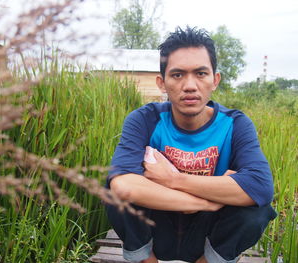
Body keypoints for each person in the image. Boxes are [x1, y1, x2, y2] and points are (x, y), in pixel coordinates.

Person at [105, 26, 277, 263]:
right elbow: (123, 185)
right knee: (113, 193)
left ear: (215, 80)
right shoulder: (145, 119)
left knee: (257, 210)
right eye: (177, 75)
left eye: (200, 73)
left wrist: (174, 179)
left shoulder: (235, 124)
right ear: (161, 83)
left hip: (205, 238)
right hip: (158, 228)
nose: (189, 85)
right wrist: (204, 202)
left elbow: (260, 186)